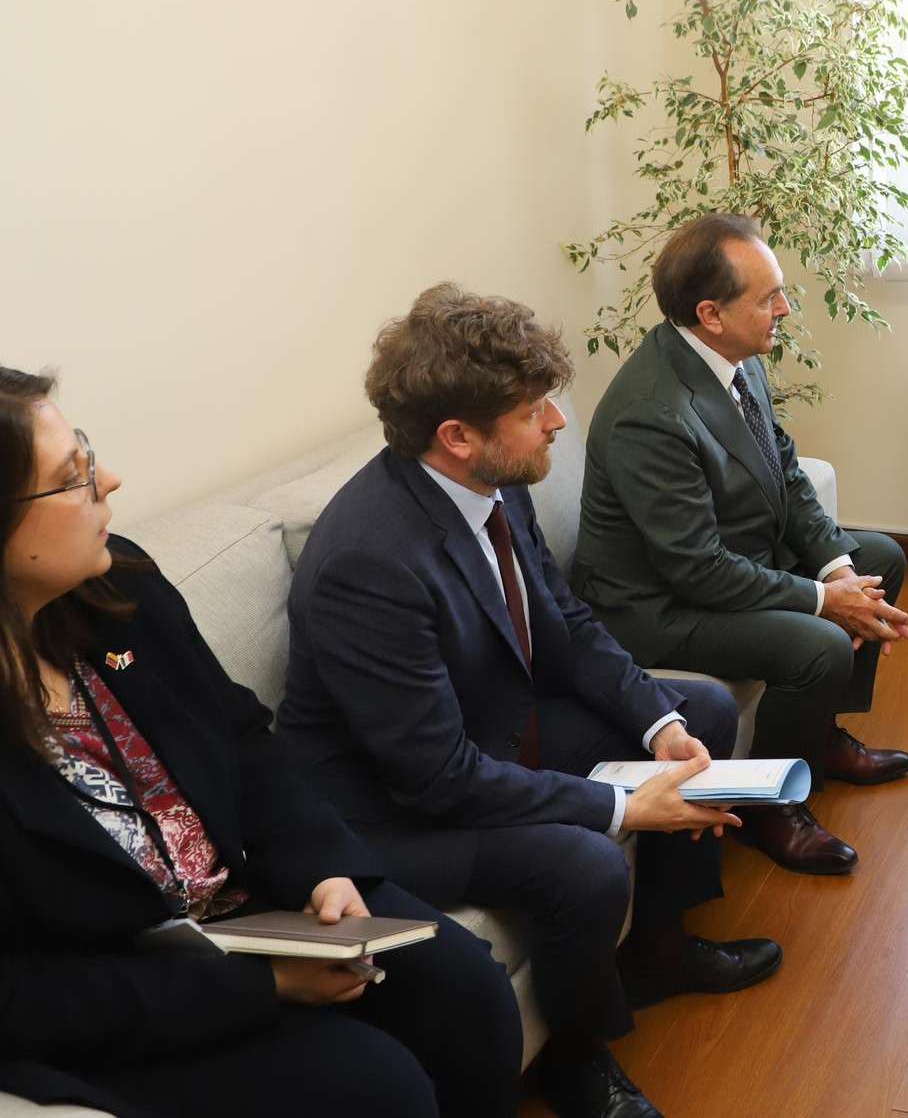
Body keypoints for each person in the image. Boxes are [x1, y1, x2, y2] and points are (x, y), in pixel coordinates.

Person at [276, 286, 778, 1118]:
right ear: (458, 436)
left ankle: (660, 951)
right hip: (389, 811)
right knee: (586, 865)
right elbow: (437, 778)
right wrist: (623, 806)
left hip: (486, 729)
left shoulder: (496, 482)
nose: (556, 422)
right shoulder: (369, 563)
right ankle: (576, 1062)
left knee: (701, 715)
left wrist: (659, 722)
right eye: (533, 409)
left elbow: (564, 621)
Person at [0, 367, 522, 1118]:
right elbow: (23, 992)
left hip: (261, 907)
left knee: (467, 991)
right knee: (380, 1088)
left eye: (88, 455)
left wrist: (324, 869)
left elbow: (244, 739)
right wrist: (261, 983)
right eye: (71, 477)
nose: (108, 481)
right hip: (134, 991)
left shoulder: (119, 588)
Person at [570, 214, 908, 875]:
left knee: (880, 560)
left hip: (724, 562)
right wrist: (825, 600)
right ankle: (772, 809)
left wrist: (838, 571)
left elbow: (786, 472)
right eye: (769, 297)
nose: (784, 309)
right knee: (818, 643)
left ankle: (821, 734)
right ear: (711, 313)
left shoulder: (734, 358)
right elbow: (697, 570)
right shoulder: (652, 413)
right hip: (655, 607)